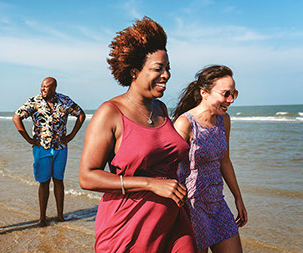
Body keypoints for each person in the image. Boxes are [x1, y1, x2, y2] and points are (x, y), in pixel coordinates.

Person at [79, 16, 197, 252]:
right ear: (134, 72)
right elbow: (87, 177)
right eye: (158, 69)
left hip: (173, 218)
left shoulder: (161, 109)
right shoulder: (109, 113)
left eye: (168, 68)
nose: (166, 75)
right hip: (129, 225)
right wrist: (150, 184)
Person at [172, 65, 248, 252]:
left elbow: (225, 161)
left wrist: (238, 198)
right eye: (225, 94)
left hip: (217, 204)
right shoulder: (185, 123)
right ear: (204, 92)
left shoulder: (224, 120)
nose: (230, 100)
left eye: (234, 93)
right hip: (191, 206)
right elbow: (169, 168)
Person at [13, 77, 85, 227]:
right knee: (44, 182)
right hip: (42, 149)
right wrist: (28, 139)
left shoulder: (64, 101)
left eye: (46, 87)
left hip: (60, 148)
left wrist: (71, 136)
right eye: (41, 86)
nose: (43, 89)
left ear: (54, 88)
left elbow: (81, 114)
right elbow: (16, 117)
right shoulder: (35, 101)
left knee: (59, 180)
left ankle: (60, 216)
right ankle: (42, 218)